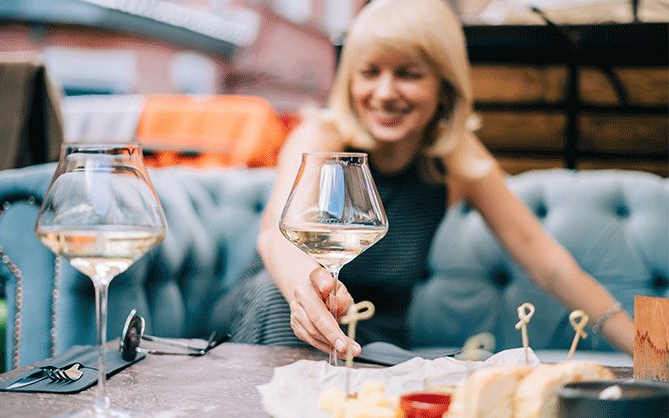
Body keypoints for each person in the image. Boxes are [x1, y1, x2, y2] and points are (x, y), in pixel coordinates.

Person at [212, 0, 634, 356]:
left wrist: (646, 348)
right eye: (369, 71)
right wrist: (304, 294)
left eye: (409, 74)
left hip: (373, 341)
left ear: (443, 86)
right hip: (273, 306)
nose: (384, 92)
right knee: (277, 297)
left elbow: (553, 268)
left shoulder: (456, 160)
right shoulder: (323, 136)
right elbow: (275, 235)